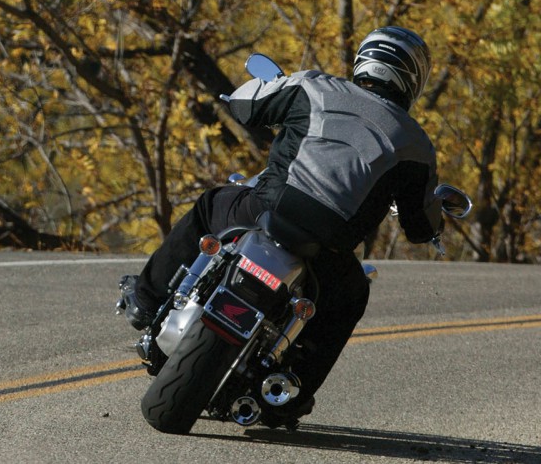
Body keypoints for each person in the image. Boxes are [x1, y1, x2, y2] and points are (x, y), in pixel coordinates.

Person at [118, 26, 445, 427]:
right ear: (413, 78)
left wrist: (262, 91)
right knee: (350, 297)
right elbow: (418, 225)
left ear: (363, 61)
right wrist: (434, 222)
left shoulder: (314, 87)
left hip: (264, 209)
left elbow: (245, 105)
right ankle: (290, 394)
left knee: (209, 206)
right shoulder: (416, 144)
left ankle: (147, 298)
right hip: (327, 246)